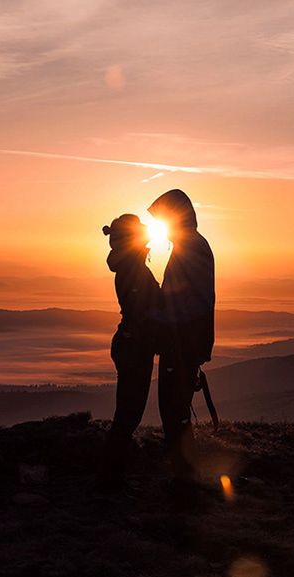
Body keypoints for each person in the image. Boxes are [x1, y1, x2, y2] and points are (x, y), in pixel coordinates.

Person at [147, 189, 215, 486]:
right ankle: (184, 477)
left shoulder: (191, 248)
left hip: (182, 345)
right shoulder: (190, 246)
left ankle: (185, 483)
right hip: (184, 344)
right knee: (175, 410)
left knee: (174, 411)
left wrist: (159, 319)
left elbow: (194, 302)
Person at [98, 214, 161, 493]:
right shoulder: (133, 268)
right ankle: (110, 478)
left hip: (130, 344)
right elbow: (144, 312)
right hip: (135, 346)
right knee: (128, 414)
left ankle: (112, 475)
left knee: (127, 411)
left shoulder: (128, 265)